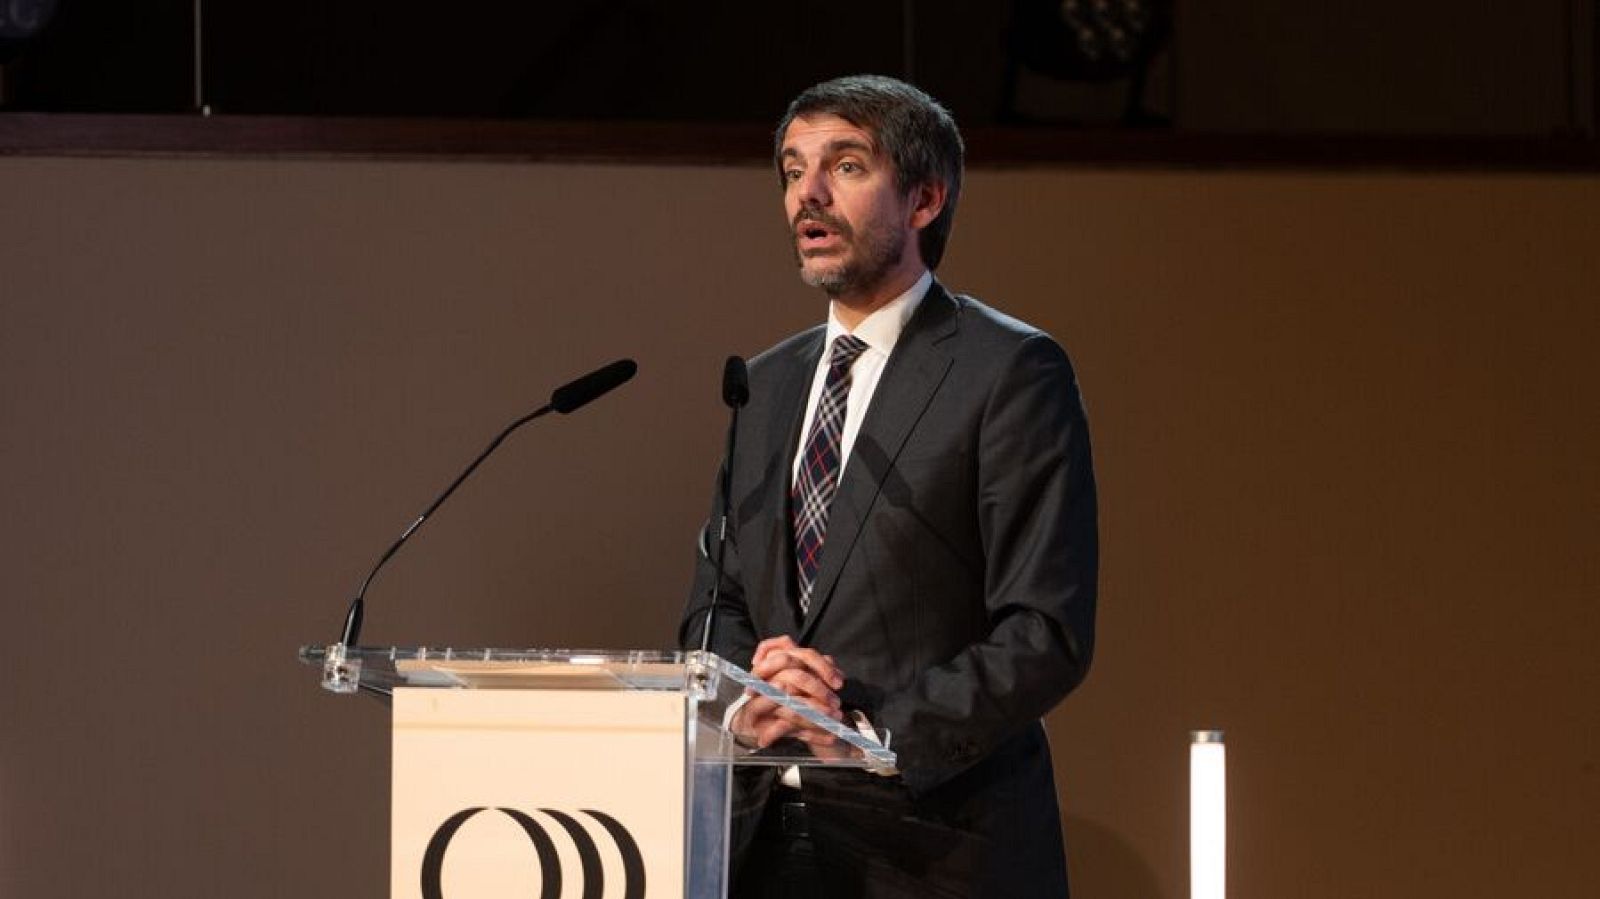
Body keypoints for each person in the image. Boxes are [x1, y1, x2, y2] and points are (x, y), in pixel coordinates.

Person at [679, 74, 1097, 898]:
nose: (810, 193)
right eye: (794, 170)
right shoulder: (763, 385)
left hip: (931, 847)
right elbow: (716, 600)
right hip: (764, 845)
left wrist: (868, 730)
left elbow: (1044, 630)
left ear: (925, 198)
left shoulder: (1008, 371)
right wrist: (746, 699)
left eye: (846, 165)